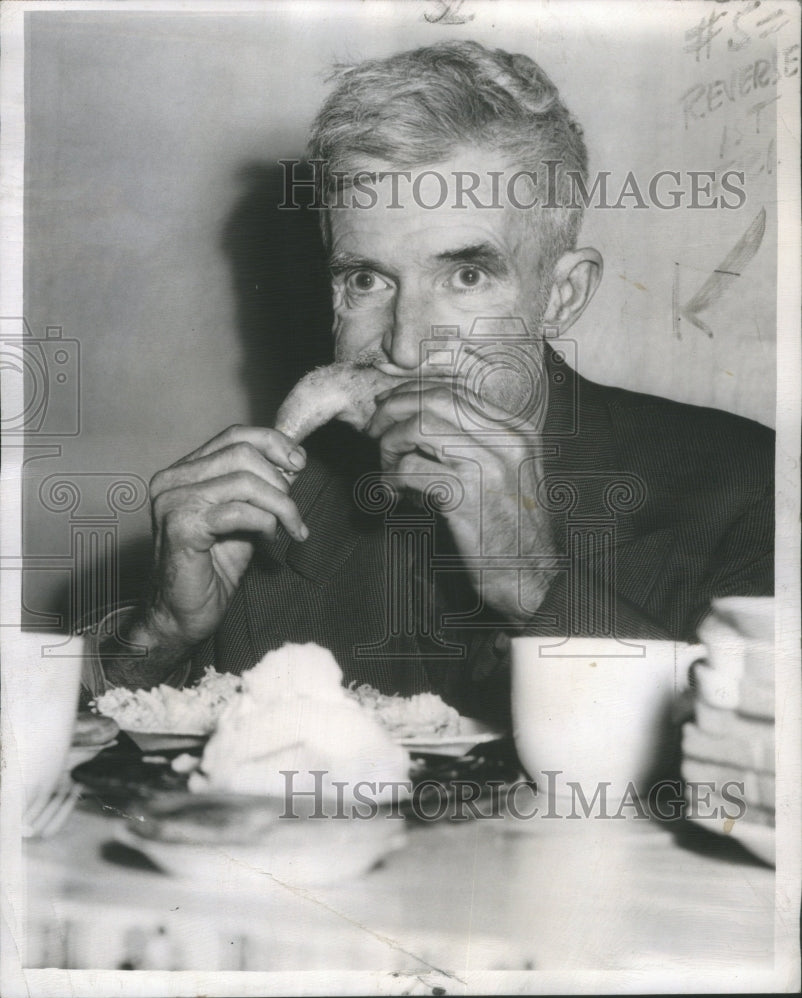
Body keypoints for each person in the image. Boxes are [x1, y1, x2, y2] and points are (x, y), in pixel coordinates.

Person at [89, 41, 773, 725]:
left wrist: (534, 587)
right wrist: (160, 635)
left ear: (562, 295)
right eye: (365, 279)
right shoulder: (264, 527)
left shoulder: (750, 489)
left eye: (466, 276)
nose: (405, 345)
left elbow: (759, 784)